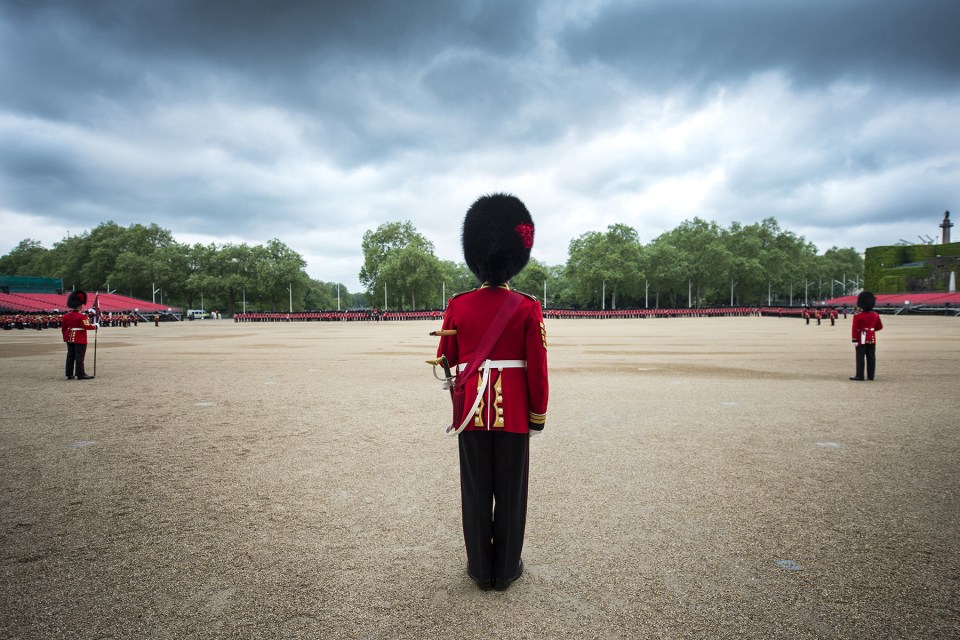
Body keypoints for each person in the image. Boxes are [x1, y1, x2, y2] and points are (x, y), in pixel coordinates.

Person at [435, 193, 549, 592]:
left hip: (471, 414)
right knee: (512, 494)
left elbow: (446, 360)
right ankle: (507, 567)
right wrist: (538, 413)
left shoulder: (458, 305)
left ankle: (481, 569)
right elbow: (537, 367)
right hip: (515, 412)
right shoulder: (526, 306)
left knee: (476, 492)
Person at [60, 290, 97, 380]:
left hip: (69, 337)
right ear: (80, 305)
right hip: (80, 338)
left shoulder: (66, 316)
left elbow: (63, 329)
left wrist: (65, 338)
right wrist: (95, 326)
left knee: (70, 355)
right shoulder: (82, 316)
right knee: (79, 356)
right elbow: (86, 326)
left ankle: (69, 373)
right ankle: (80, 374)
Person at [850, 291, 883, 381]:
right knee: (871, 356)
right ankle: (871, 376)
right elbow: (880, 327)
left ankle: (860, 375)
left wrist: (854, 340)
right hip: (872, 336)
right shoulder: (876, 315)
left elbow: (854, 329)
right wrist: (871, 330)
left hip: (862, 336)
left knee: (860, 356)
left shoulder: (858, 316)